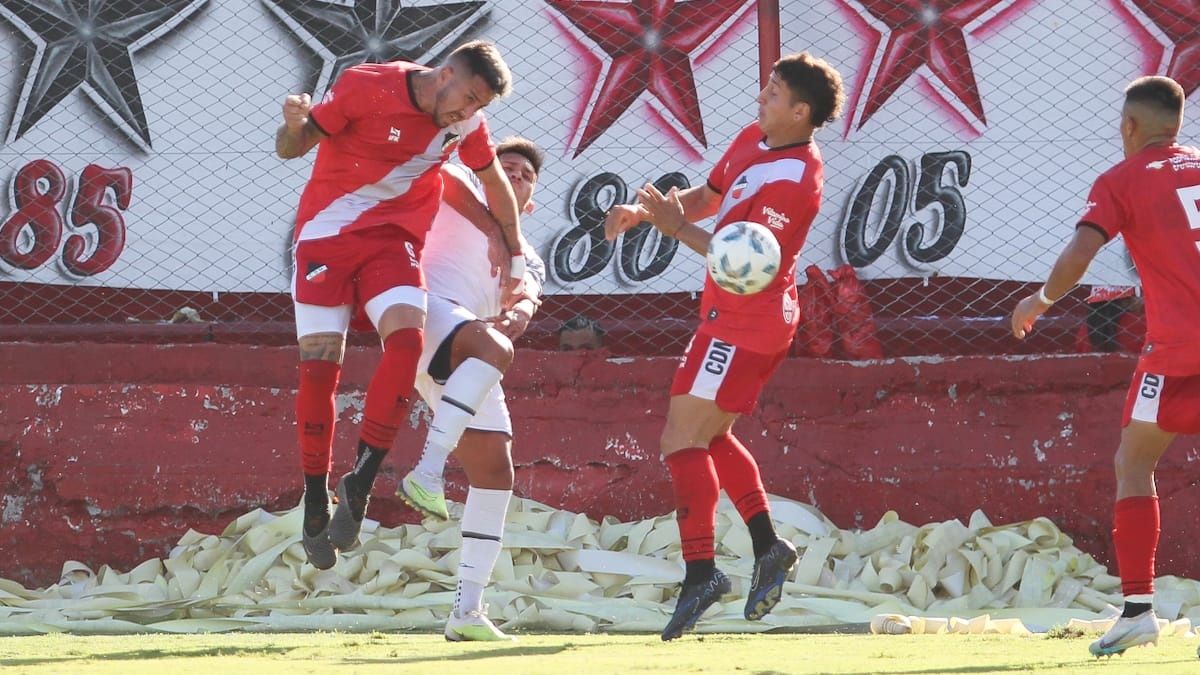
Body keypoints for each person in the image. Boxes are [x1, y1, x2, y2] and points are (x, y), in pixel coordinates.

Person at [604, 52, 846, 641]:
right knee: (711, 437)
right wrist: (647, 212)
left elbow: (747, 264)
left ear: (801, 111)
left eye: (774, 90)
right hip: (737, 321)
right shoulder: (753, 139)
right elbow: (709, 195)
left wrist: (672, 229)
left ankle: (702, 572)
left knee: (680, 439)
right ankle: (768, 548)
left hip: (745, 321)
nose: (762, 95)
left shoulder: (797, 180)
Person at [274, 40, 527, 571]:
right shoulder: (366, 85)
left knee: (407, 342)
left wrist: (515, 247)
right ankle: (316, 497)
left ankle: (361, 479)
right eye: (468, 98)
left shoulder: (466, 125)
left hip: (394, 243)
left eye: (481, 106)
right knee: (320, 371)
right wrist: (294, 123)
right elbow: (292, 148)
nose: (469, 113)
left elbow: (494, 181)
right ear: (446, 74)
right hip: (326, 234)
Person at [1010, 75, 1200, 658]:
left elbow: (1081, 251)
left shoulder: (1122, 179)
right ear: (1179, 124)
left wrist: (1040, 300)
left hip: (1178, 351)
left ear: (1128, 127)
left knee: (1134, 461)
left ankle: (1140, 611)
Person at [389, 137, 547, 641]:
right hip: (425, 314)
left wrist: (519, 307)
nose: (514, 175)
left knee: (496, 471)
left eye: (524, 174)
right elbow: (447, 186)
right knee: (495, 348)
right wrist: (500, 232)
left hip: (462, 354)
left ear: (533, 198)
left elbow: (526, 302)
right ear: (488, 177)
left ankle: (467, 612)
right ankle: (428, 471)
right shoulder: (458, 186)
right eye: (505, 169)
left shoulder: (533, 258)